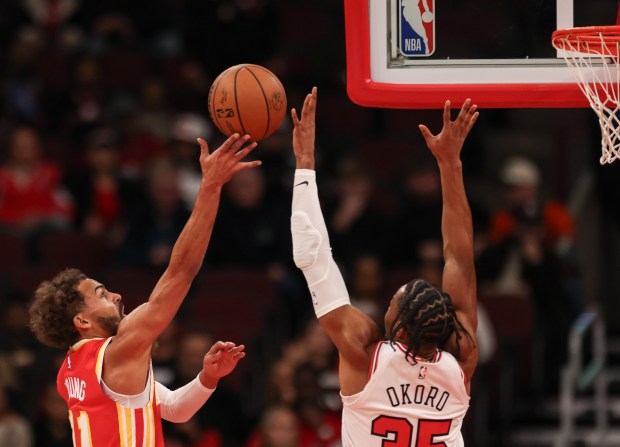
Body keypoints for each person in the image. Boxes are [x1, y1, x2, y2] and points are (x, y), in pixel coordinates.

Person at [28, 133, 260, 446]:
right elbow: (181, 272)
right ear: (82, 321)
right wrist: (211, 186)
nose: (117, 296)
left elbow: (175, 410)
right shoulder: (119, 351)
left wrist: (208, 378)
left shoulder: (69, 372)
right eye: (101, 294)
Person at [290, 87, 479, 446]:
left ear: (401, 329)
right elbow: (459, 255)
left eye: (394, 300)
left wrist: (304, 163)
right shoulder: (460, 359)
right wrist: (450, 164)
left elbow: (311, 253)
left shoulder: (366, 358)